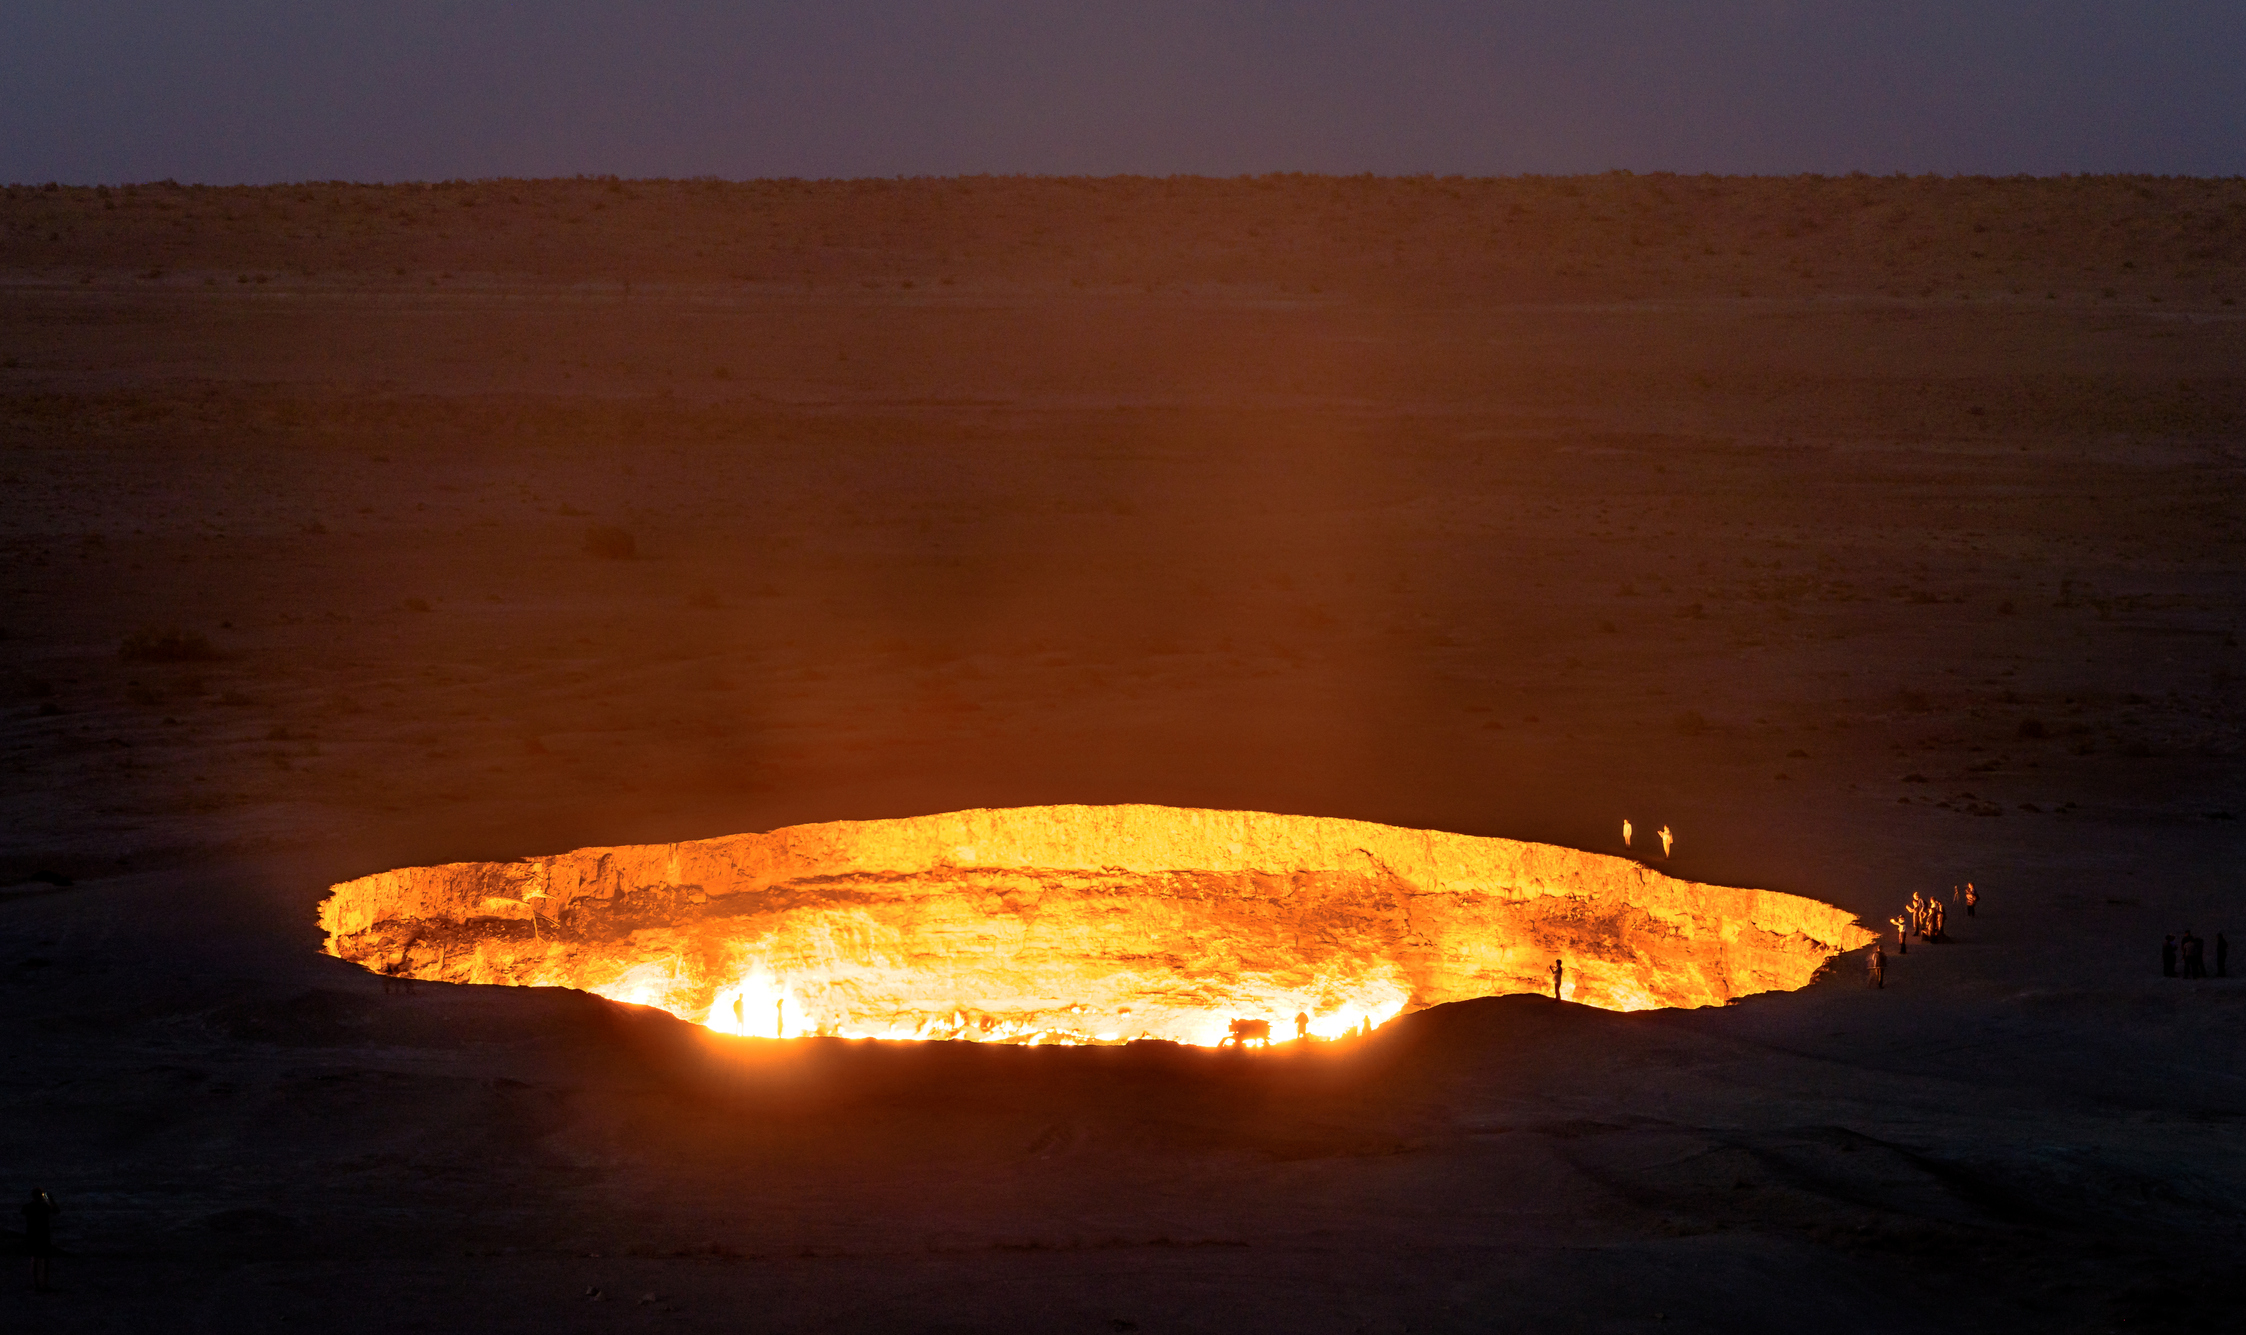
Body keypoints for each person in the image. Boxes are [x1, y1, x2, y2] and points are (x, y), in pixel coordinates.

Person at [24, 1187, 58, 1292]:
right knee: (45, 1260)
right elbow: (56, 1210)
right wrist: (50, 1199)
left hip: (32, 1234)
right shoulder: (44, 1207)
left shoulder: (28, 1207)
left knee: (34, 1259)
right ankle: (44, 1284)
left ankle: (36, 1284)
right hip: (43, 1234)